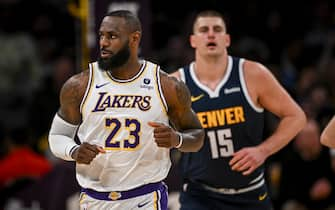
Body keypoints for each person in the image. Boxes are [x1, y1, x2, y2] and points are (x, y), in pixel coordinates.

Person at [48, 10, 204, 210]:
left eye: (112, 36)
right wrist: (74, 150)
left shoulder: (166, 85)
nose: (103, 42)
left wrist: (177, 140)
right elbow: (57, 136)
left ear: (134, 38)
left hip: (145, 198)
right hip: (95, 199)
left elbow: (197, 136)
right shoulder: (79, 85)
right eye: (101, 35)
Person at [170, 10, 306, 210]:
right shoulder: (175, 83)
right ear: (193, 40)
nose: (210, 34)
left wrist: (263, 150)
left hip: (249, 194)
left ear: (227, 39)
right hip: (199, 195)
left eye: (217, 29)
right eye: (203, 30)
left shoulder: (252, 74)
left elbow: (297, 117)